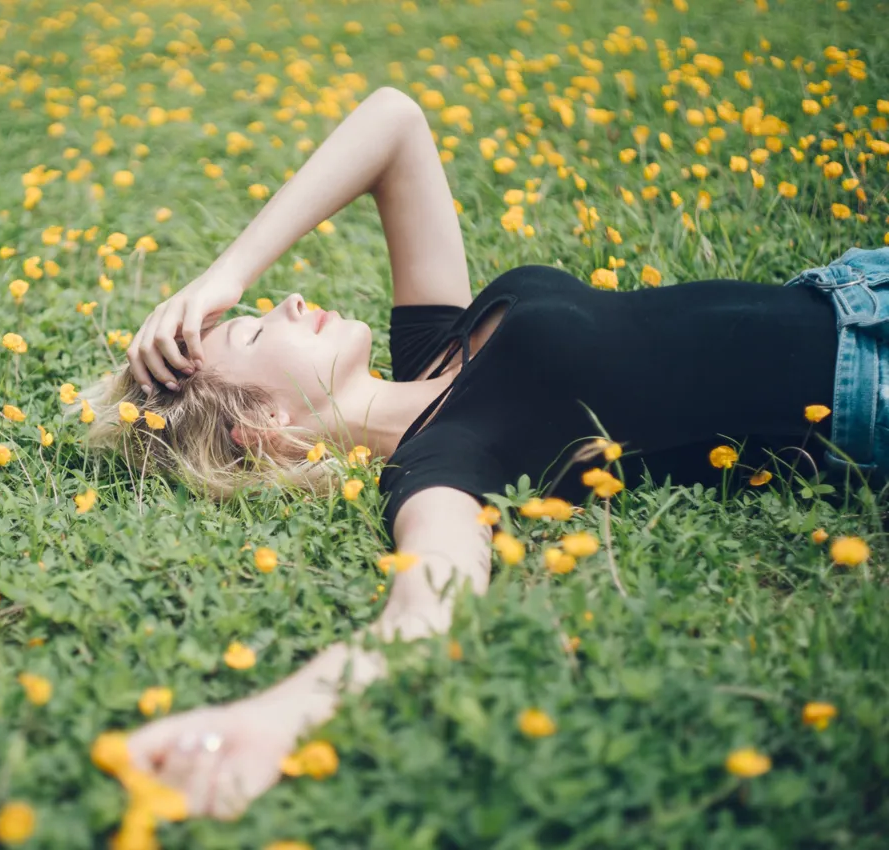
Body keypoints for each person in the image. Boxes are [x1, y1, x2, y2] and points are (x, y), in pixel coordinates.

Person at [81, 86, 889, 821]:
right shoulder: (444, 459)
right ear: (262, 428)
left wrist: (220, 279)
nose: (288, 299)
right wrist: (267, 720)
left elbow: (395, 121)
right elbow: (424, 614)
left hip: (853, 287)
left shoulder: (433, 343)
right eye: (256, 329)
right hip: (868, 378)